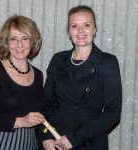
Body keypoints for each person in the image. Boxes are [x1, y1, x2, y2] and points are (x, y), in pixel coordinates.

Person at [41, 5, 122, 150]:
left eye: (86, 25)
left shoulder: (108, 62)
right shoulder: (58, 59)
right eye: (74, 26)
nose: (80, 31)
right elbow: (45, 104)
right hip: (55, 141)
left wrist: (75, 138)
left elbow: (112, 112)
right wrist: (45, 138)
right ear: (69, 31)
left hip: (88, 141)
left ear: (94, 29)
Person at [0, 15, 45, 150]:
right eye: (13, 39)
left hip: (31, 143)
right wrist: (21, 121)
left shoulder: (38, 75)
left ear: (33, 42)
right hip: (0, 143)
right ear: (6, 42)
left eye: (25, 38)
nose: (19, 45)